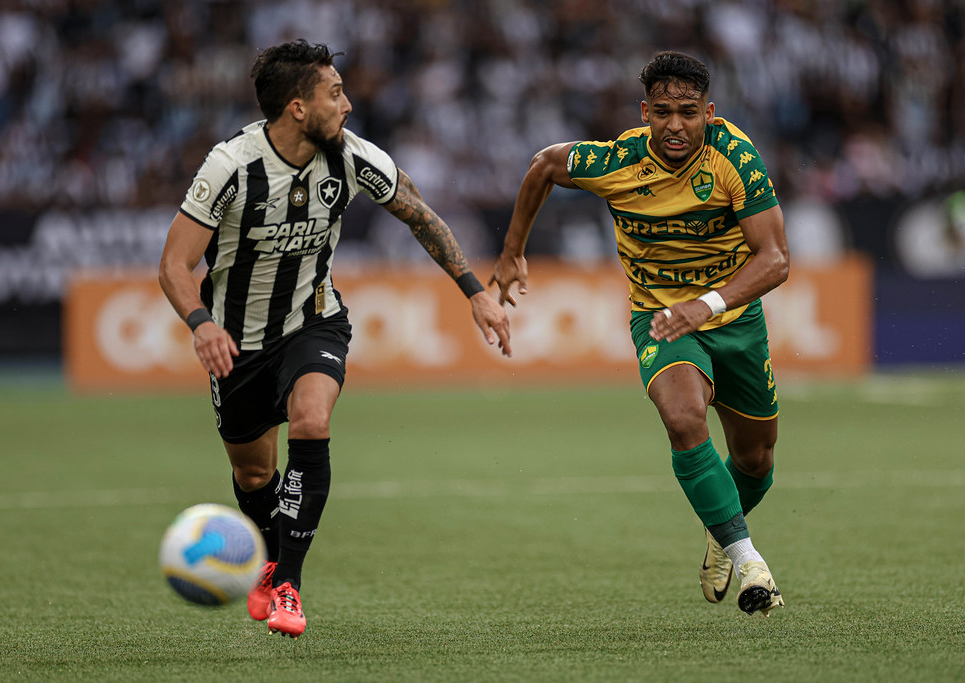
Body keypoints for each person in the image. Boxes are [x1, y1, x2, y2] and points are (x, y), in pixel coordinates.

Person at [159, 39, 511, 639]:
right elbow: (173, 266)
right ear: (298, 106)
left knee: (312, 421)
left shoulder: (351, 156)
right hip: (236, 341)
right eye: (335, 92)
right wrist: (202, 324)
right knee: (252, 475)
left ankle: (289, 583)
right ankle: (270, 560)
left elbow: (419, 213)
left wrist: (474, 289)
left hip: (313, 321)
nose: (347, 104)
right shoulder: (231, 166)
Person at [490, 51, 788, 616]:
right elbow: (544, 165)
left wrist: (708, 304)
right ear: (645, 111)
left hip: (734, 320)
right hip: (660, 317)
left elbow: (775, 259)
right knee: (683, 418)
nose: (676, 126)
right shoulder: (618, 161)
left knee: (756, 461)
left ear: (709, 112)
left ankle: (719, 530)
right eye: (665, 113)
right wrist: (511, 252)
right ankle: (749, 559)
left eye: (690, 113)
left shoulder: (736, 157)